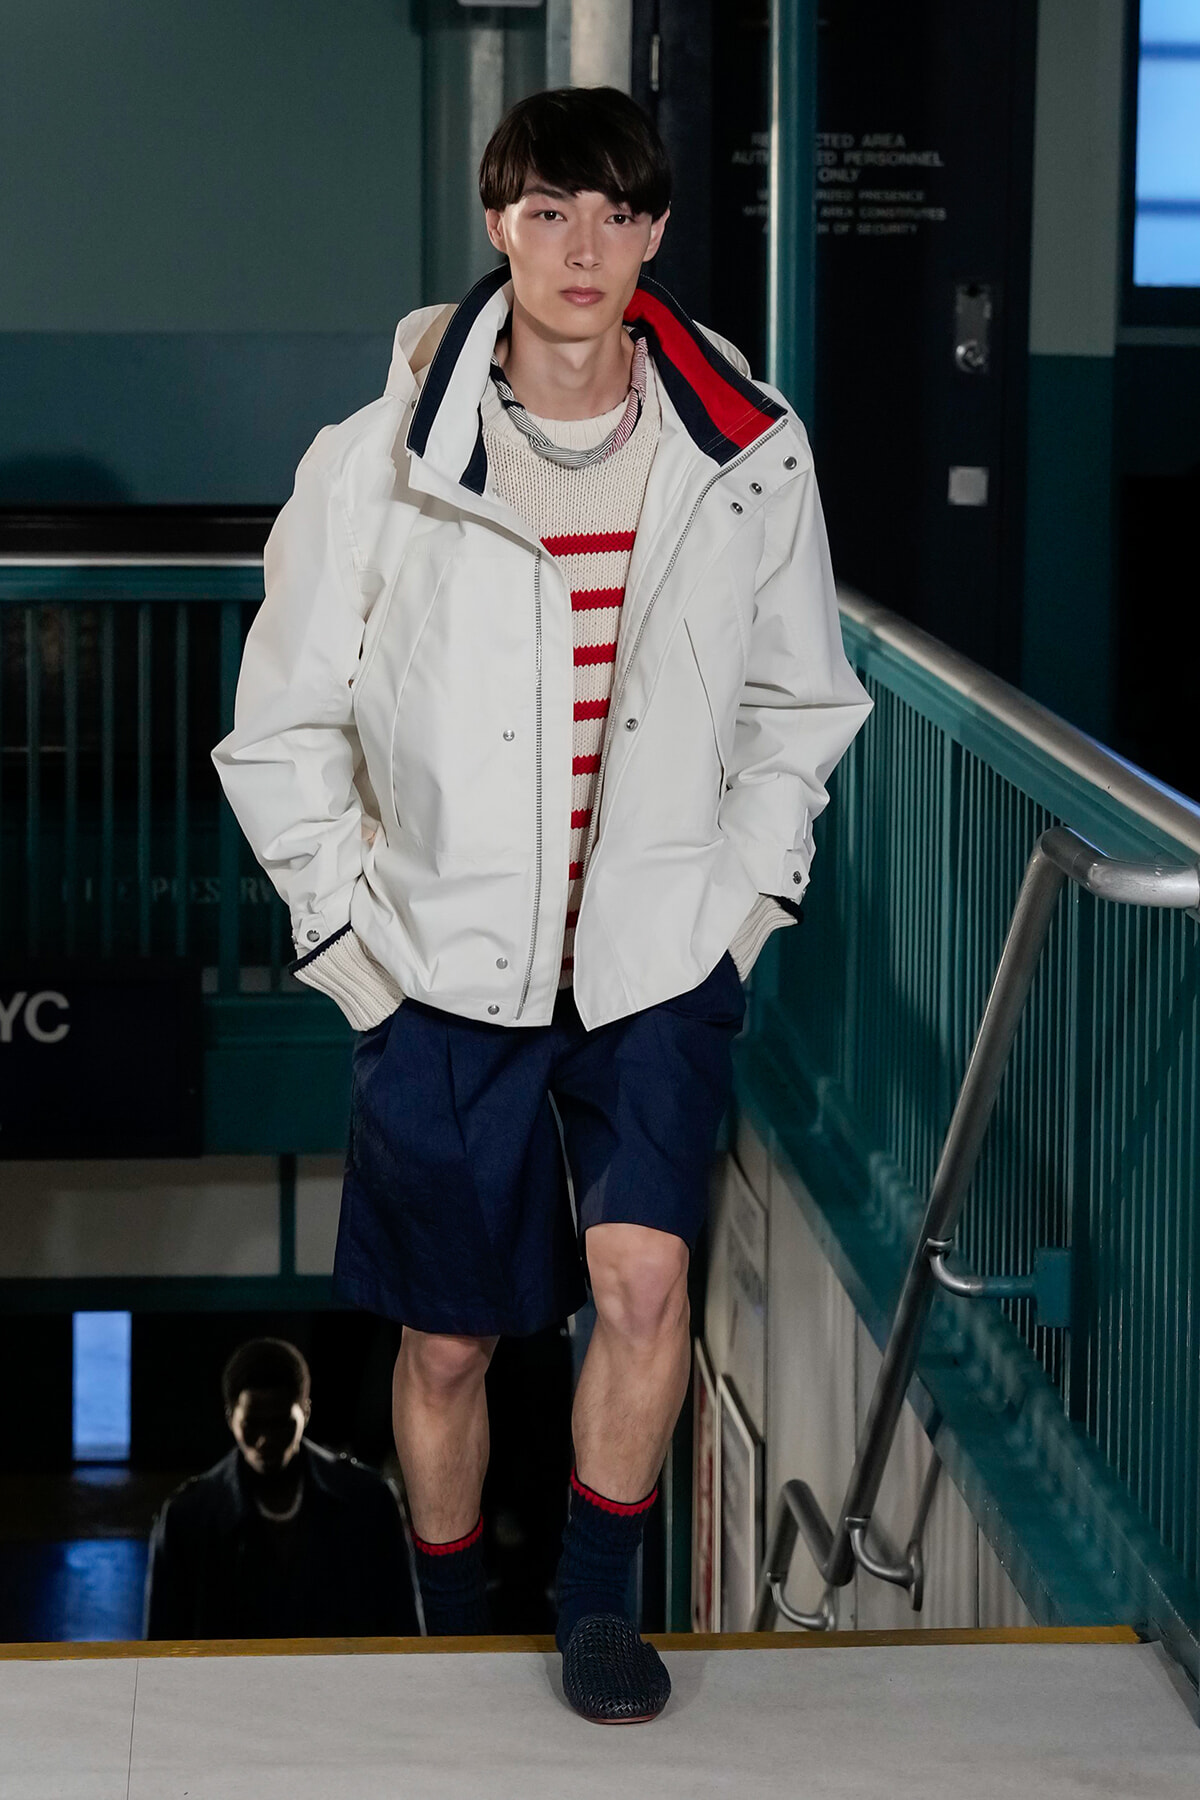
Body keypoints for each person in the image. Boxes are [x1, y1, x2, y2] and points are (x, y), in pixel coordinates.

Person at [210, 86, 872, 1721]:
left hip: (654, 958)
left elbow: (801, 703)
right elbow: (281, 729)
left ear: (657, 234)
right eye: (550, 212)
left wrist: (740, 908)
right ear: (499, 222)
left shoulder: (748, 451)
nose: (584, 248)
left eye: (617, 215)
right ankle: (448, 1620)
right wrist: (355, 953)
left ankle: (593, 1613)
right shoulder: (377, 461)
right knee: (450, 1345)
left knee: (642, 1285)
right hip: (441, 968)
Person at [142, 1337, 420, 1641]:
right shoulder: (187, 1518)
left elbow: (404, 1629)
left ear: (306, 1413)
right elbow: (162, 1647)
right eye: (253, 1425)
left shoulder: (369, 1502)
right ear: (230, 1418)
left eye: (280, 1424)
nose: (265, 1439)